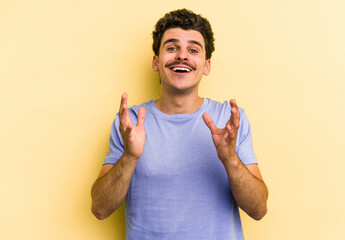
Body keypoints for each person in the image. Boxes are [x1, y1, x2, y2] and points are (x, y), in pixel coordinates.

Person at [91, 8, 268, 239]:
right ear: (156, 62)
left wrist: (230, 158)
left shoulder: (229, 119)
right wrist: (129, 158)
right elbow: (100, 208)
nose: (182, 56)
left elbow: (258, 209)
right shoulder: (130, 123)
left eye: (193, 49)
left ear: (206, 65)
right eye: (172, 48)